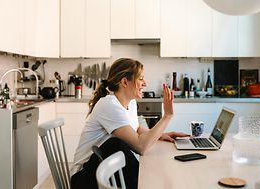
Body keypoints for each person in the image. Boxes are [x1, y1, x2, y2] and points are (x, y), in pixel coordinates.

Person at [70, 58, 188, 189]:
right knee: (115, 144)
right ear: (125, 82)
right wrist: (167, 116)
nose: (145, 83)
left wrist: (160, 134)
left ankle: (146, 183)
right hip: (83, 178)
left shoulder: (130, 103)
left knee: (119, 146)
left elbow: (136, 129)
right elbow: (140, 146)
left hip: (104, 169)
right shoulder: (109, 105)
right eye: (141, 79)